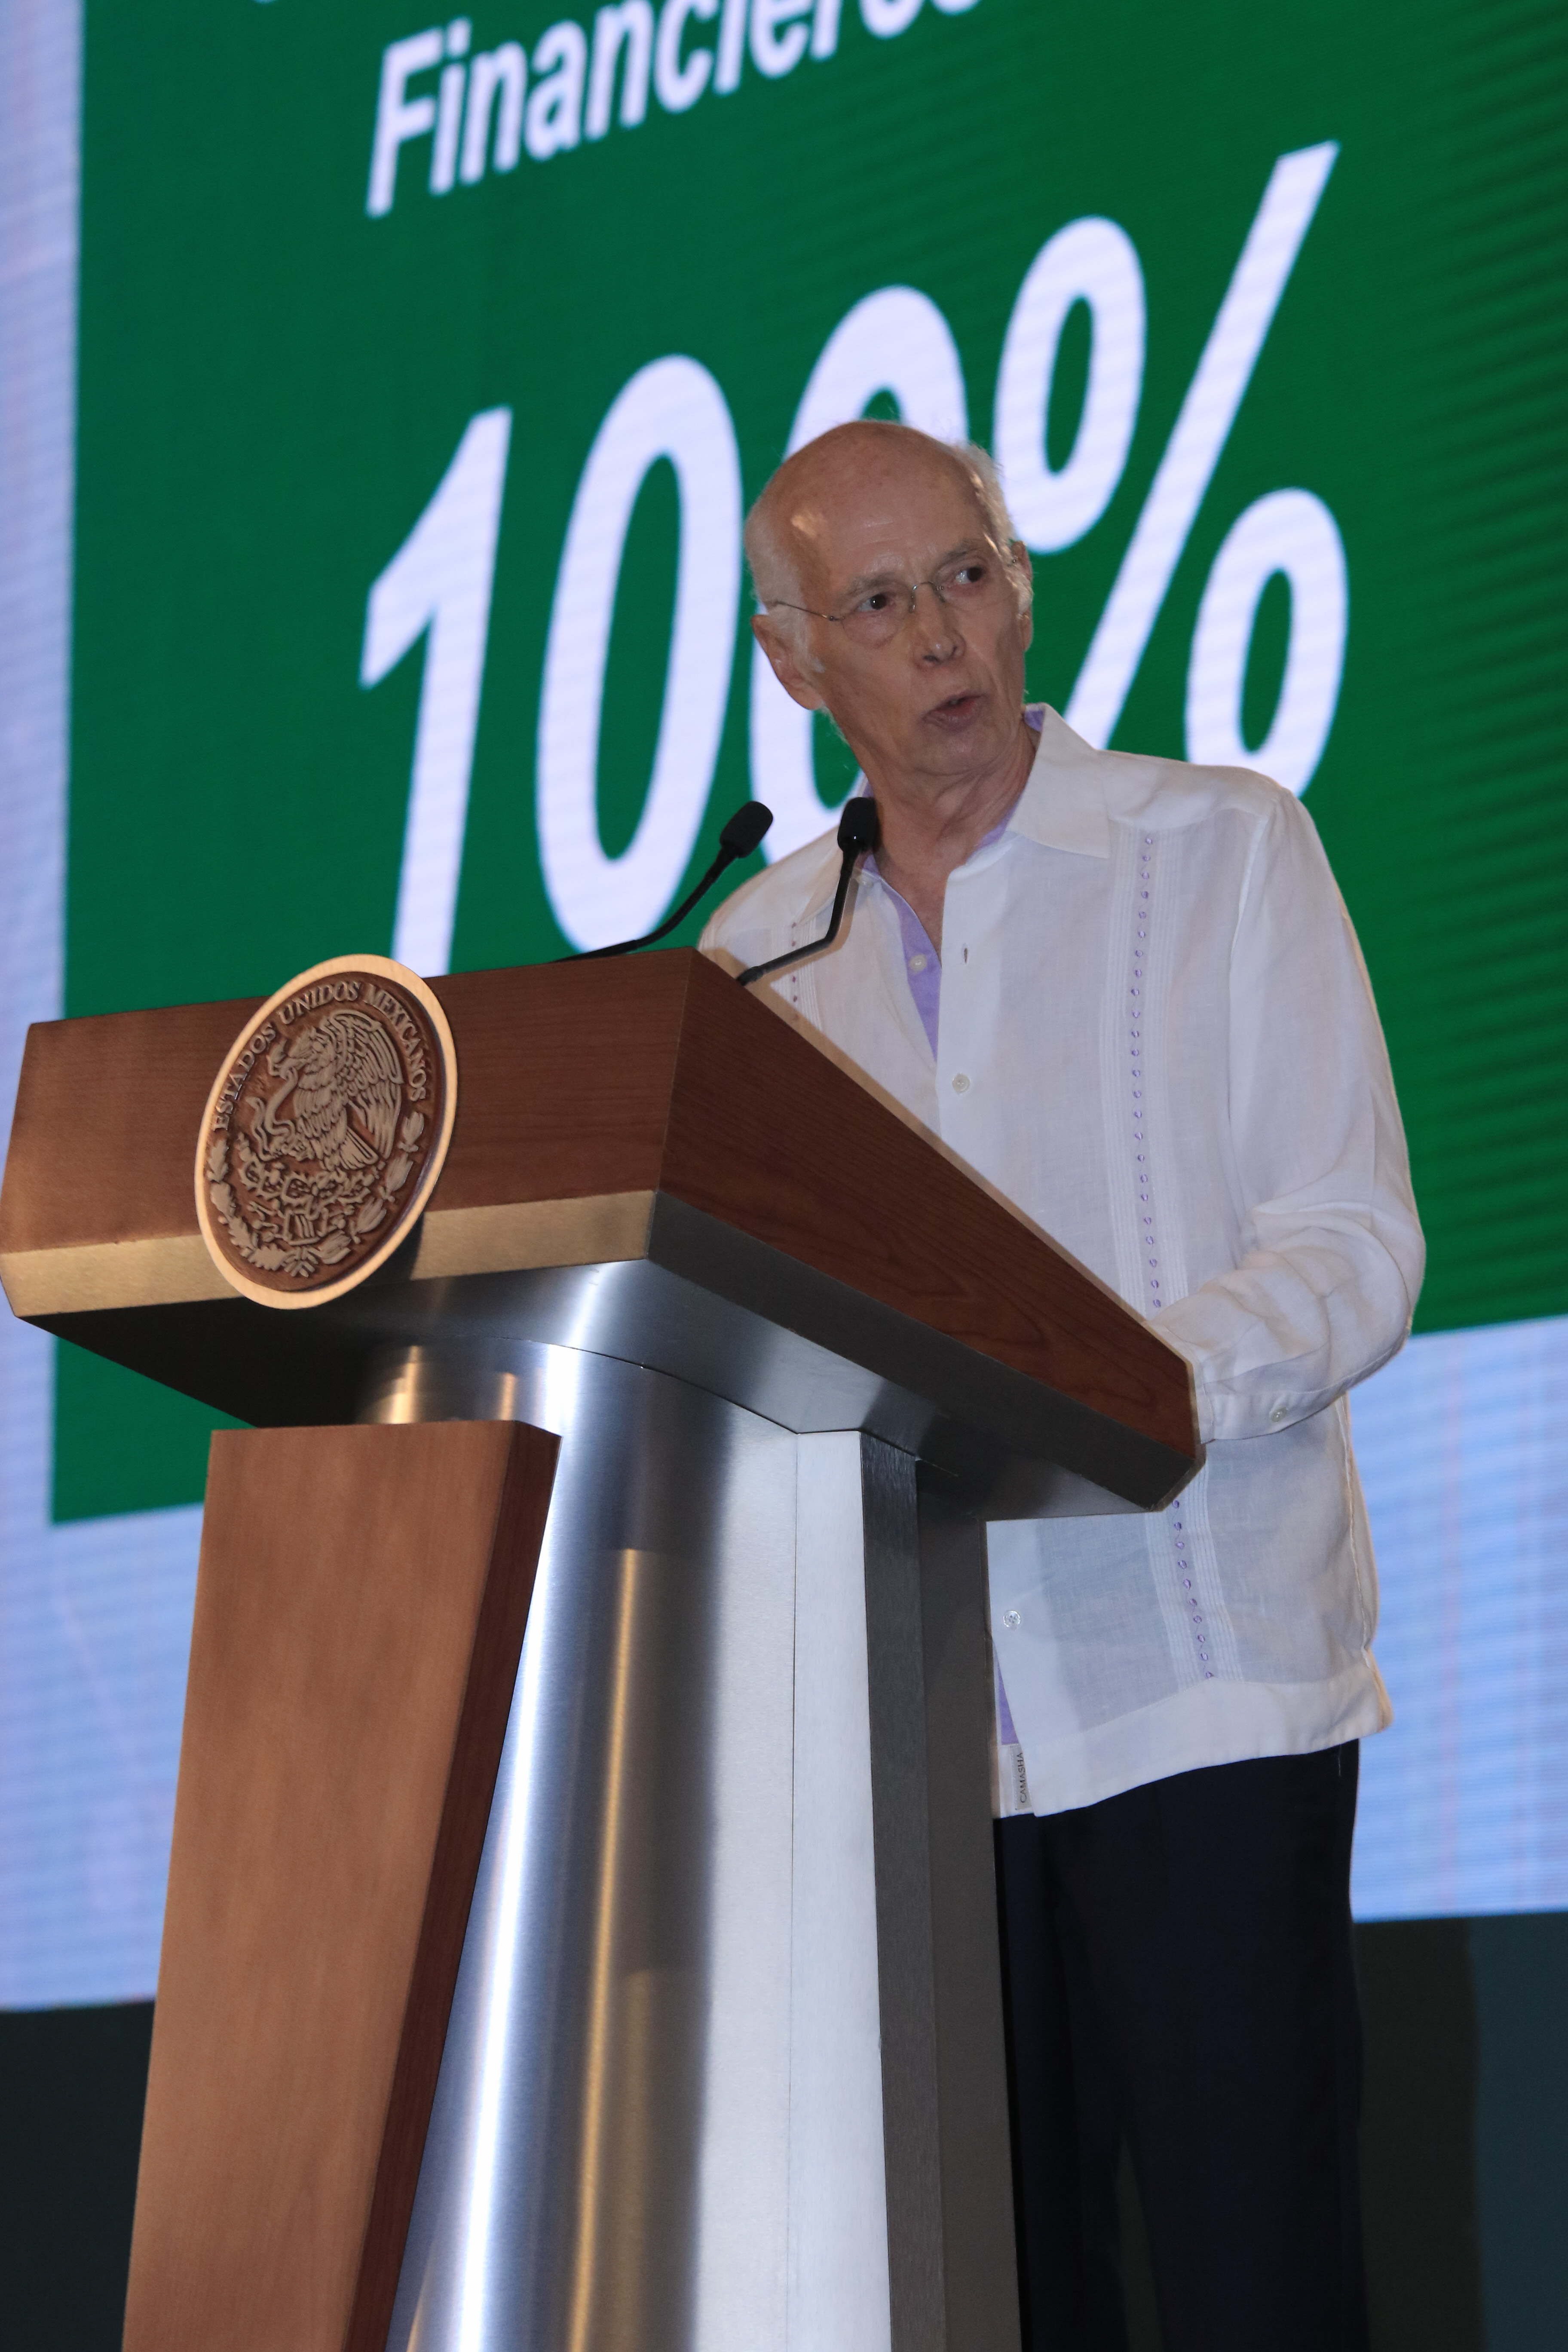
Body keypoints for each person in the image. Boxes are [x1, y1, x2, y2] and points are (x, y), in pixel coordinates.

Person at [700, 419, 1424, 2352]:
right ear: (796, 662)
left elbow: (1355, 1245)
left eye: (970, 574)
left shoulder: (1222, 847)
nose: (943, 633)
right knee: (990, 2310)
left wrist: (1090, 1381)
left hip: (1201, 1695)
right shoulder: (754, 962)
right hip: (912, 1751)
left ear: (1022, 591)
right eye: (879, 602)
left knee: (1261, 2298)